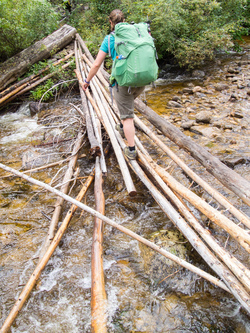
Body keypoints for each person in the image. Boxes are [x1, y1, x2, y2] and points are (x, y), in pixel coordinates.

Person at [82, 9, 145, 160]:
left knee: (127, 116)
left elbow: (97, 64)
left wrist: (87, 81)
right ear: (124, 20)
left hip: (124, 81)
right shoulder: (136, 33)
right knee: (127, 105)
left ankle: (131, 150)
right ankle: (123, 127)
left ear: (111, 23)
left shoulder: (109, 39)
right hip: (142, 79)